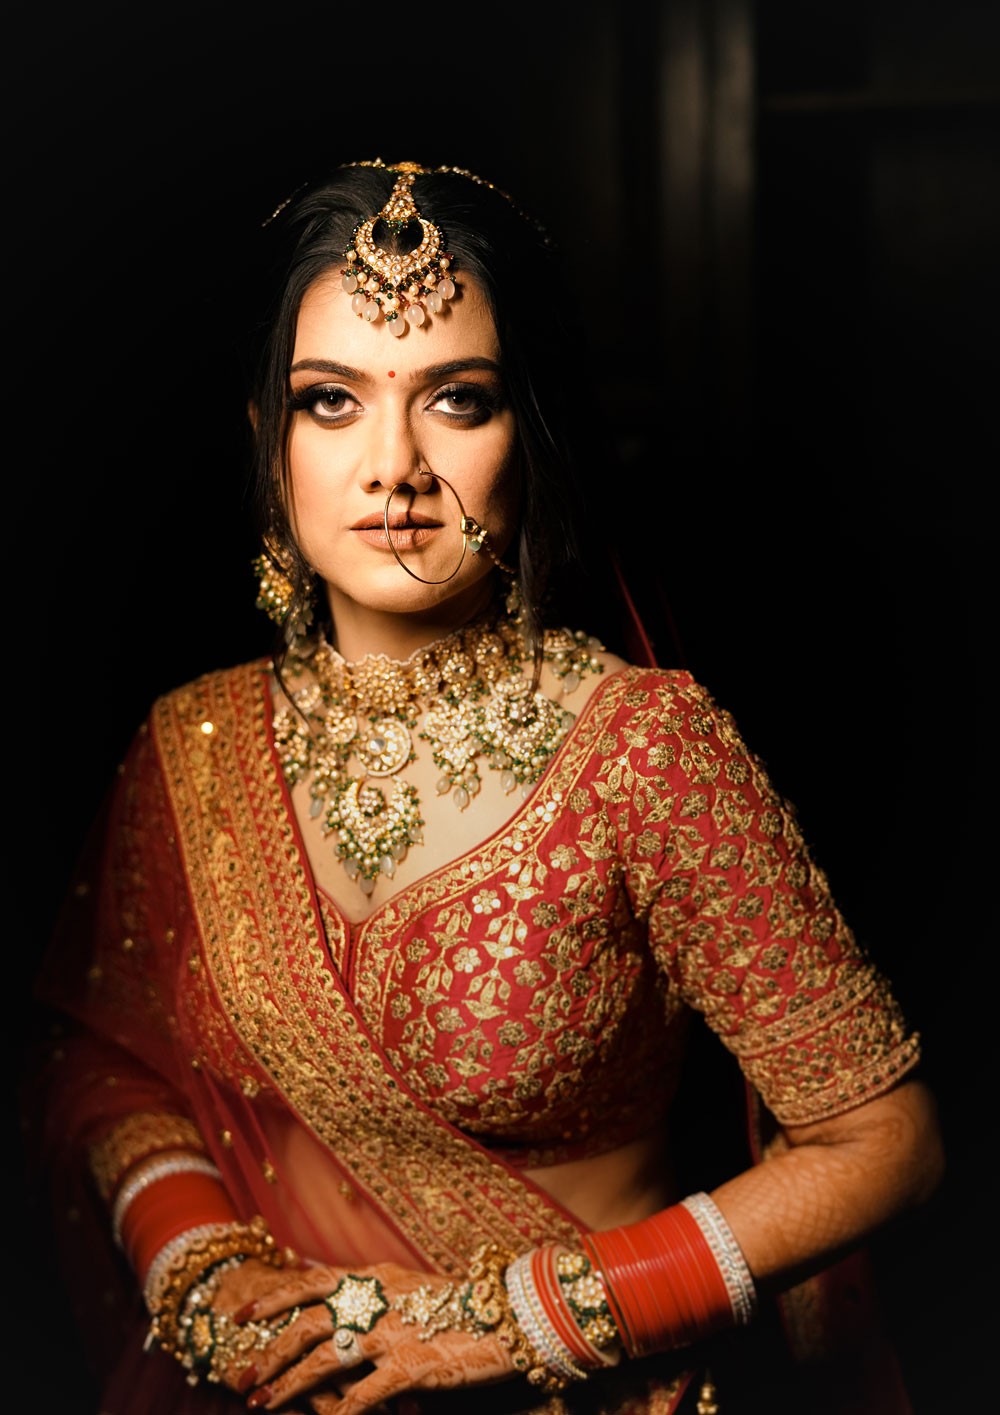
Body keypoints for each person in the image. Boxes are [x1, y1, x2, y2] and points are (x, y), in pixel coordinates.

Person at [26, 157, 944, 1415]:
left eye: (456, 399)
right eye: (330, 401)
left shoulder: (643, 751)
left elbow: (885, 1140)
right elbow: (99, 1057)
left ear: (531, 433)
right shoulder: (191, 744)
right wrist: (200, 1257)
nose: (392, 464)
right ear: (267, 438)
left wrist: (508, 1323)